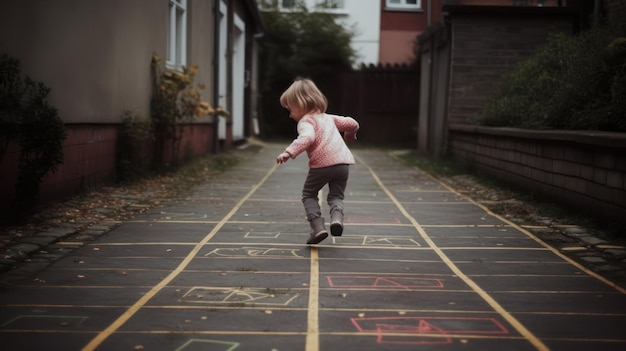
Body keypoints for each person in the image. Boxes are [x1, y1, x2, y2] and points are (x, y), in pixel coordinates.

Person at [276, 78, 360, 245]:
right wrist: (350, 135)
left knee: (308, 194)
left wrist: (289, 152)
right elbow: (352, 123)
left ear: (301, 104)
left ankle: (318, 227)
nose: (290, 114)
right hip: (343, 163)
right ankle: (336, 218)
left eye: (290, 109)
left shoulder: (306, 121)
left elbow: (308, 137)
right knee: (336, 195)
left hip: (322, 165)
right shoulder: (329, 118)